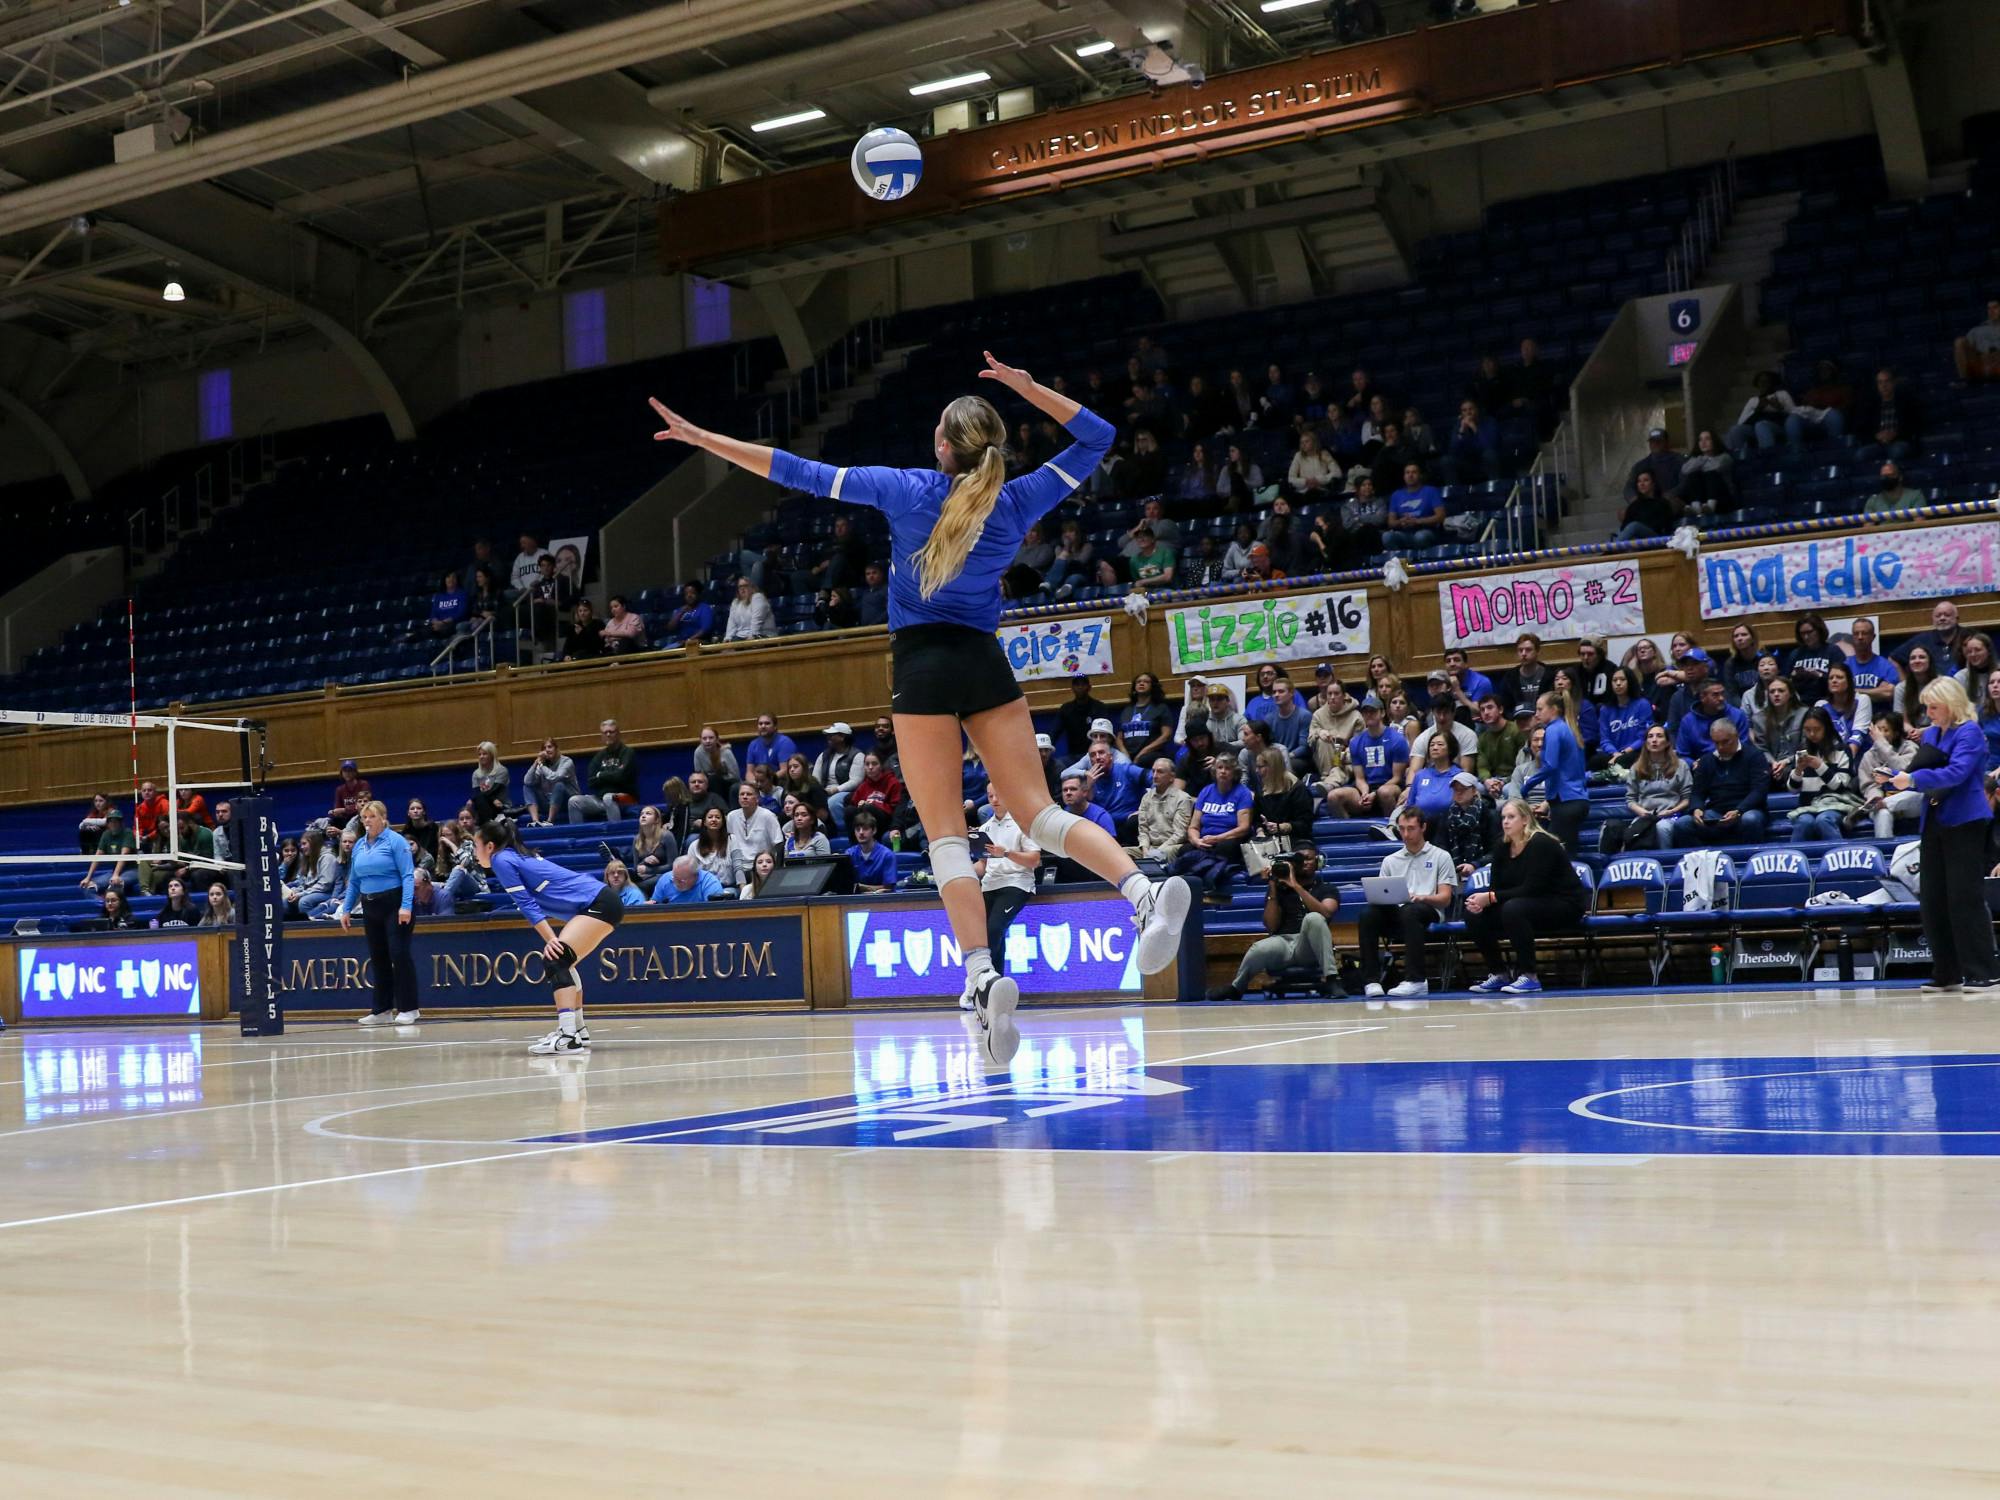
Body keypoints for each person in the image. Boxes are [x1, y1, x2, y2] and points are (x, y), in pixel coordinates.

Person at [650, 352, 1189, 1066]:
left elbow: (793, 470)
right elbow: (1096, 437)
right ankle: (1141, 893)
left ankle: (981, 976)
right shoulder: (1017, 496)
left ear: (942, 447)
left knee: (944, 841)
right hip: (985, 662)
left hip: (924, 669)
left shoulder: (904, 490)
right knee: (1042, 815)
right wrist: (1031, 385)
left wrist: (705, 438)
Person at [1874, 679, 1996, 992]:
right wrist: (1897, 777)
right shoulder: (1934, 733)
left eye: (1933, 706)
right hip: (1934, 819)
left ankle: (1984, 971)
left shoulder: (1969, 732)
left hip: (1964, 820)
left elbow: (1956, 773)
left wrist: (1911, 779)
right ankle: (1947, 972)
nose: (1928, 712)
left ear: (1951, 703)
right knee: (1933, 899)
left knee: (1964, 897)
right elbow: (1919, 770)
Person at [474, 818, 629, 1051]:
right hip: (603, 901)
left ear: (489, 846)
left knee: (556, 958)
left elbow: (526, 904)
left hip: (599, 902)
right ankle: (577, 1030)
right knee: (565, 962)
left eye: (476, 847)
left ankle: (568, 1037)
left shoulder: (501, 859)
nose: (475, 854)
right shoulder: (514, 857)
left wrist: (551, 939)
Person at [1461, 798, 1586, 995]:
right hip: (1527, 904)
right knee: (1473, 913)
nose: (1505, 822)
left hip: (1564, 904)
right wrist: (1483, 902)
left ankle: (1529, 975)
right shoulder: (1501, 847)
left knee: (1514, 908)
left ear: (1526, 819)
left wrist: (1491, 898)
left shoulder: (1541, 843)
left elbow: (1533, 888)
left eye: (1511, 817)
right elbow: (1497, 888)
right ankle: (1498, 973)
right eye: (1503, 817)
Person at [1208, 844, 1343, 1002]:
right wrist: (1272, 887)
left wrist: (1296, 886)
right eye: (1299, 860)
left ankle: (1332, 979)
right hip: (1283, 943)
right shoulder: (1279, 888)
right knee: (1259, 948)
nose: (1304, 863)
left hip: (1310, 946)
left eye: (1308, 858)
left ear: (1318, 862)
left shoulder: (1327, 888)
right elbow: (1271, 926)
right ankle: (1237, 988)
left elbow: (1326, 913)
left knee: (1314, 918)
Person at [1356, 806, 1458, 998]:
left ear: (1423, 827)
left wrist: (1422, 897)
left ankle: (1416, 980)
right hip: (1399, 912)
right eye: (1402, 828)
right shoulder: (1390, 860)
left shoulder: (1440, 856)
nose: (1405, 834)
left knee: (1411, 910)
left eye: (1410, 828)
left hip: (1429, 911)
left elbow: (1445, 898)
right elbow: (1381, 895)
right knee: (1368, 913)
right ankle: (1371, 980)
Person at [337, 800, 421, 1026]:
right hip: (369, 905)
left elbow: (407, 875)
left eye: (371, 817)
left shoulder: (396, 841)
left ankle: (409, 1008)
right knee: (378, 957)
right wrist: (346, 909)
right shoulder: (359, 846)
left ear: (383, 818)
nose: (367, 821)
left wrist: (406, 906)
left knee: (399, 954)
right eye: (364, 818)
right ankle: (382, 1009)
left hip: (394, 903)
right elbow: (354, 880)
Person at [966, 786, 1041, 1007]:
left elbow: (1034, 860)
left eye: (998, 794)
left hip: (1016, 883)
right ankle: (993, 989)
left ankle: (978, 983)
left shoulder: (1022, 823)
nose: (995, 799)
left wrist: (1006, 852)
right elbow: (982, 865)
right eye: (990, 796)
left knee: (994, 930)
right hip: (990, 885)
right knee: (986, 936)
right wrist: (957, 870)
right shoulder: (986, 827)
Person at [1671, 720, 1770, 847]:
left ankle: (1749, 858)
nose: (1720, 747)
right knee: (1683, 824)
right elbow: (1697, 793)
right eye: (1716, 743)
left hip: (1748, 810)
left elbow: (1759, 791)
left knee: (1750, 820)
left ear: (1736, 736)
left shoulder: (1755, 756)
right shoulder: (1706, 761)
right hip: (1717, 812)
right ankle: (1702, 861)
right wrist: (1697, 808)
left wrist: (1739, 810)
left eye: (1725, 742)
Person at [1171, 757, 1253, 899]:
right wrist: (1196, 841)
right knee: (1184, 850)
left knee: (1224, 848)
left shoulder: (1243, 793)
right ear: (1214, 771)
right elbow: (1193, 826)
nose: (1223, 771)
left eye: (1228, 768)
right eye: (1220, 767)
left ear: (1235, 773)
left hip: (1228, 839)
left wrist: (1217, 838)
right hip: (1204, 841)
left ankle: (1210, 885)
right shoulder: (1206, 792)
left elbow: (1244, 827)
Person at [1522, 690, 1589, 853]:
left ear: (1554, 710)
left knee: (1553, 854)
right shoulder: (1569, 728)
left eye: (1540, 709)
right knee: (1568, 854)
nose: (1536, 714)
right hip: (1578, 799)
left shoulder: (1553, 730)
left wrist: (1528, 785)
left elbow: (1551, 766)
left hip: (1565, 801)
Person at [1786, 706, 1860, 842]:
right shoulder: (1802, 751)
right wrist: (1798, 771)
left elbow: (1841, 786)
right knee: (1804, 822)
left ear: (1826, 728)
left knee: (1824, 819)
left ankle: (1838, 858)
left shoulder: (1842, 750)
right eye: (1808, 730)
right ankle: (1794, 861)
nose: (1812, 734)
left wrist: (1820, 766)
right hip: (1808, 805)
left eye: (1817, 729)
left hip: (1836, 803)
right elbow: (1793, 789)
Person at [1855, 712, 1922, 838]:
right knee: (1882, 814)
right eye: (1878, 730)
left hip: (1909, 802)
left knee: (1918, 796)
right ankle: (1885, 853)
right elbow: (1870, 786)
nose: (1880, 735)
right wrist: (1876, 798)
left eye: (1885, 730)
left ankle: (1883, 804)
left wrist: (1882, 744)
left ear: (1896, 733)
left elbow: (1903, 769)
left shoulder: (1910, 748)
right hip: (1881, 801)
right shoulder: (1868, 756)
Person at [568, 718, 638, 823]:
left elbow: (622, 777)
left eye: (611, 732)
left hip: (627, 798)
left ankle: (615, 835)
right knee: (573, 801)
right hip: (600, 798)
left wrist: (601, 775)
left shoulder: (628, 753)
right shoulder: (599, 757)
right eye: (605, 732)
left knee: (609, 797)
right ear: (602, 736)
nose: (608, 735)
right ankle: (580, 837)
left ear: (618, 734)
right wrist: (613, 775)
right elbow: (591, 782)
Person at [1134, 758, 1193, 866]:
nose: (1155, 775)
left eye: (1160, 771)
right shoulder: (1146, 798)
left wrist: (1157, 851)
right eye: (1153, 771)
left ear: (1172, 777)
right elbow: (1143, 829)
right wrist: (1145, 849)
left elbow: (1180, 834)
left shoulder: (1183, 798)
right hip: (1150, 846)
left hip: (1172, 845)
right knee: (1123, 853)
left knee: (1165, 853)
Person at [78, 805, 136, 895]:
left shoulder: (127, 833)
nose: (114, 824)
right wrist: (88, 877)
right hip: (114, 871)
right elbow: (98, 856)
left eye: (116, 821)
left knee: (116, 884)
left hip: (132, 870)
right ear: (108, 823)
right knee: (88, 886)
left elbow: (124, 855)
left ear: (121, 822)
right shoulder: (106, 835)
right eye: (111, 821)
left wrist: (116, 875)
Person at [523, 738, 580, 824]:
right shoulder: (542, 764)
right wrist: (536, 763)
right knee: (527, 787)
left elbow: (555, 777)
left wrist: (541, 766)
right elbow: (527, 781)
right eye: (544, 748)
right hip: (548, 802)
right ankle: (535, 821)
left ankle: (549, 821)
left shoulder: (567, 762)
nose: (547, 750)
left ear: (556, 749)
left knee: (559, 785)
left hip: (567, 802)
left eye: (550, 747)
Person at [846, 809, 898, 893]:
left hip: (882, 901)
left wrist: (861, 887)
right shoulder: (849, 854)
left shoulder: (887, 855)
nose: (861, 832)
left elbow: (888, 888)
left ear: (874, 830)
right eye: (858, 829)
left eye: (865, 829)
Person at [660, 853, 724, 905]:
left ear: (695, 875)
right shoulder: (665, 879)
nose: (676, 882)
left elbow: (715, 913)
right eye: (674, 878)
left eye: (681, 880)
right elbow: (655, 904)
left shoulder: (710, 883)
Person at [470, 740, 511, 822]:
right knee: (476, 801)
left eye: (484, 754)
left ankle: (486, 824)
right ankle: (488, 823)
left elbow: (494, 790)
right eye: (479, 754)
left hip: (500, 805)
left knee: (479, 799)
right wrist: (493, 800)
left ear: (492, 755)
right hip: (486, 803)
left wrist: (493, 800)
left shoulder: (501, 770)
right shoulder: (476, 773)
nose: (481, 756)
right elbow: (476, 793)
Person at [328, 759, 370, 829]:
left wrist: (345, 810)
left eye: (350, 770)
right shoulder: (340, 789)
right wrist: (334, 812)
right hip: (346, 819)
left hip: (361, 816)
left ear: (355, 772)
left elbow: (364, 805)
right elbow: (338, 808)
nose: (347, 773)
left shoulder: (363, 784)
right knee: (334, 821)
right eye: (345, 771)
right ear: (342, 773)